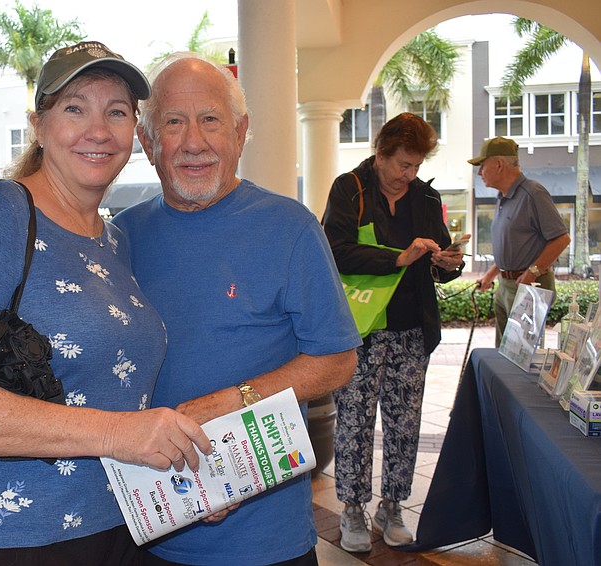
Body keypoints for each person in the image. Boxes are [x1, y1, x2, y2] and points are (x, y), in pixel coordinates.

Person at [0, 41, 212, 565]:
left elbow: (118, 400)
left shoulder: (114, 242)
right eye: (74, 108)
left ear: (135, 130)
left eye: (117, 112)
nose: (99, 130)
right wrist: (118, 433)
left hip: (119, 526)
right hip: (14, 539)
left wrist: (179, 465)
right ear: (38, 126)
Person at [113, 53, 361, 566]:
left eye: (210, 120)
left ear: (241, 132)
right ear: (147, 141)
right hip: (141, 529)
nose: (193, 142)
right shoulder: (119, 236)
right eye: (174, 123)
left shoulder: (289, 227)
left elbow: (337, 358)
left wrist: (234, 403)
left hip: (263, 541)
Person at [321, 112, 466, 553]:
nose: (409, 174)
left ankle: (393, 505)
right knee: (355, 424)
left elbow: (440, 260)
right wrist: (398, 258)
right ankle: (352, 508)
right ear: (380, 153)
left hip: (411, 330)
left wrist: (448, 264)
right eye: (402, 164)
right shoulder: (351, 188)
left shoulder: (425, 197)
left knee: (404, 424)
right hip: (361, 331)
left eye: (416, 165)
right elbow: (336, 250)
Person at [470, 136, 570, 346]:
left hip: (529, 283)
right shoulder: (503, 196)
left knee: (522, 356)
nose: (479, 173)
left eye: (482, 166)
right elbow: (514, 246)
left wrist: (532, 272)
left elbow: (562, 238)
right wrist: (491, 274)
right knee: (503, 354)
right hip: (507, 283)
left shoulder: (533, 193)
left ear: (498, 165)